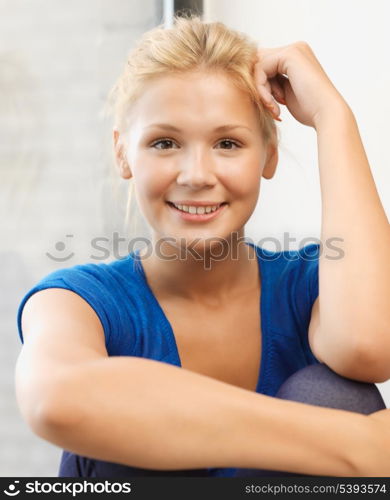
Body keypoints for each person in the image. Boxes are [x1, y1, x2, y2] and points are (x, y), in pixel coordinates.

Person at [15, 14, 390, 478]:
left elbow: (368, 347)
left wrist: (334, 118)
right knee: (109, 418)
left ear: (268, 155)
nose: (195, 175)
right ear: (122, 154)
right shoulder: (78, 301)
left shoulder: (311, 286)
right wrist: (357, 445)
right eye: (165, 142)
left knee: (337, 394)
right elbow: (56, 399)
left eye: (228, 143)